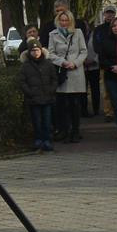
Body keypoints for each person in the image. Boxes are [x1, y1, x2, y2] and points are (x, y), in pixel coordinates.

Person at [48, 9, 87, 144]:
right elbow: (51, 54)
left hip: (75, 73)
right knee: (62, 105)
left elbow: (83, 51)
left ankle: (76, 132)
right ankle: (64, 130)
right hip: (62, 73)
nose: (64, 23)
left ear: (70, 21)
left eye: (66, 20)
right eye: (61, 20)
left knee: (75, 104)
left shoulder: (78, 33)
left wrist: (75, 63)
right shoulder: (52, 35)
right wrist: (63, 62)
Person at [18, 42, 57, 152]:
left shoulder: (48, 64)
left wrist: (51, 90)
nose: (35, 53)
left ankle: (47, 140)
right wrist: (29, 92)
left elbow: (54, 79)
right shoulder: (25, 66)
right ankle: (38, 139)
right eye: (33, 51)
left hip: (47, 98)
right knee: (37, 121)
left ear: (41, 51)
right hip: (33, 99)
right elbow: (22, 81)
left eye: (37, 50)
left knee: (47, 121)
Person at [96, 15, 117, 141]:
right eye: (114, 26)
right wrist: (112, 67)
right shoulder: (105, 41)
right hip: (111, 76)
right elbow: (102, 59)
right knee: (116, 104)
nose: (116, 28)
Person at [91, 5, 117, 120]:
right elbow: (96, 45)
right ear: (104, 14)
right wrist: (104, 55)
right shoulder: (99, 29)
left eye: (111, 13)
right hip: (104, 64)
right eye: (107, 13)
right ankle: (109, 112)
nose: (109, 15)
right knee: (106, 90)